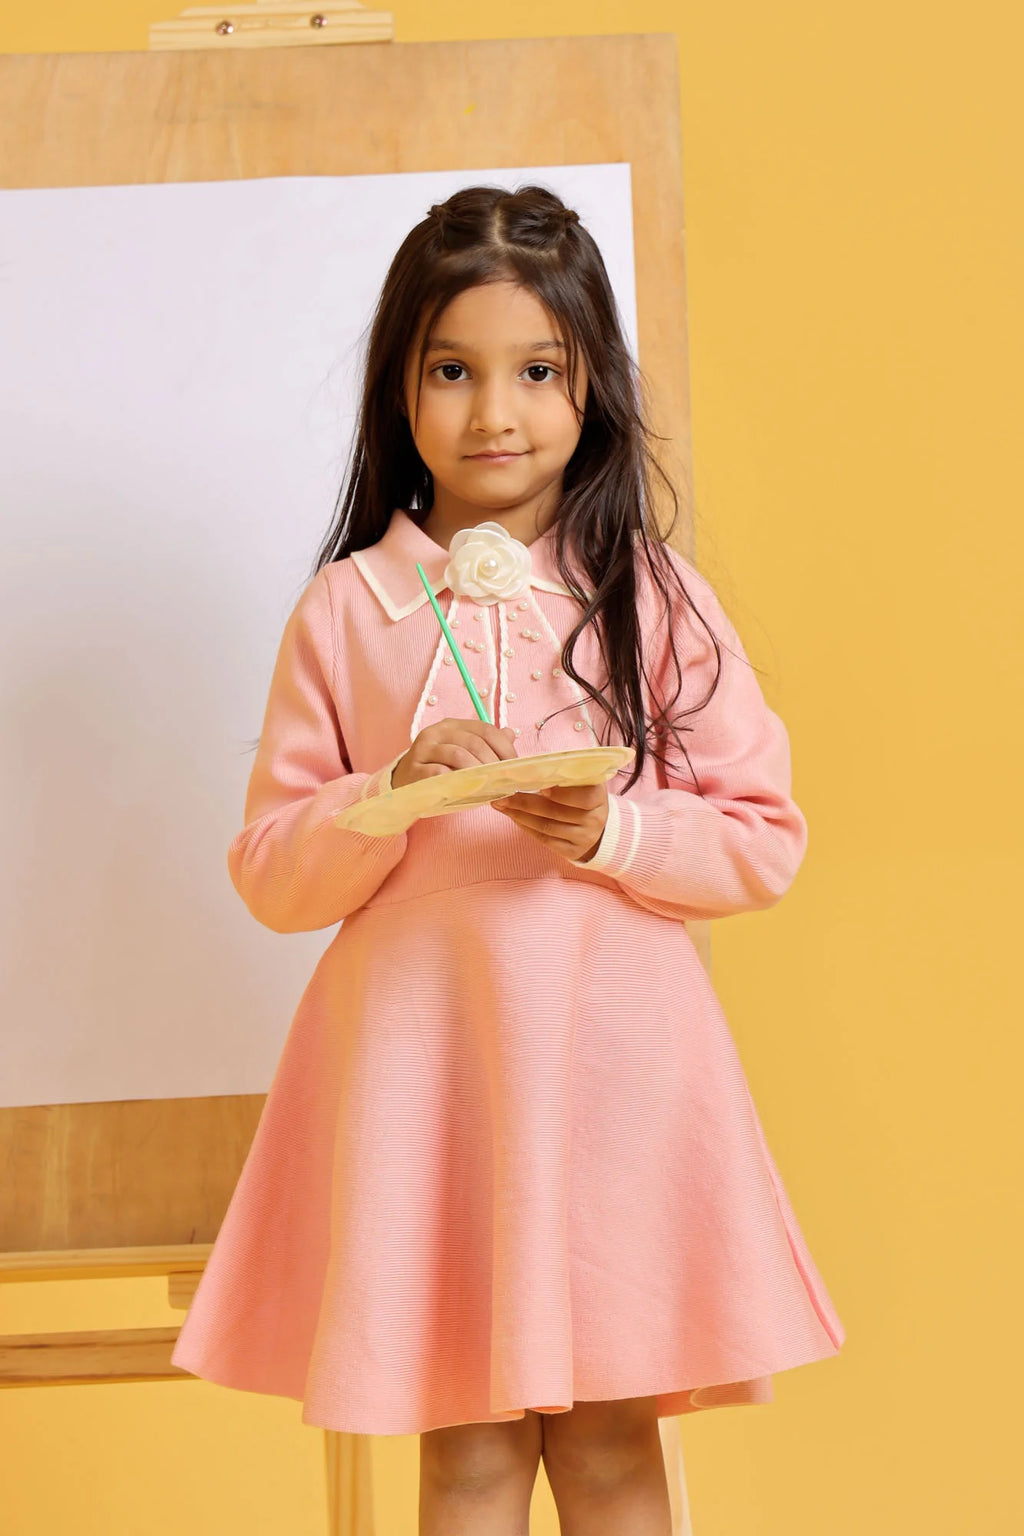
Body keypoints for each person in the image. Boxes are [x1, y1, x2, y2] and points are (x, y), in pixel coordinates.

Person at [171, 183, 845, 1535]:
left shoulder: (652, 595)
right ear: (400, 392)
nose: (496, 412)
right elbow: (270, 871)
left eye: (537, 371)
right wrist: (385, 797)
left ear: (589, 384)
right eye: (454, 371)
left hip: (616, 1076)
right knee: (468, 1461)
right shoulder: (349, 608)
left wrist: (612, 831)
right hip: (435, 1079)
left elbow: (763, 842)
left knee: (609, 1454)